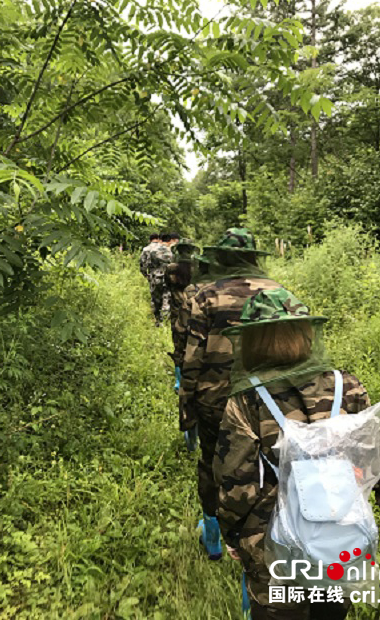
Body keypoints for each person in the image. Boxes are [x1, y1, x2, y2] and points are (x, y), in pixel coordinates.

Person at [213, 287, 380, 619]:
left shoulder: (247, 400)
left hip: (273, 548)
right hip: (340, 539)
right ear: (305, 333)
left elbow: (236, 482)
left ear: (250, 341)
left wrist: (234, 534)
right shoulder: (346, 386)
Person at [179, 227, 282, 559]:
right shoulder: (280, 293)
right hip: (270, 401)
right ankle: (259, 544)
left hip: (215, 400)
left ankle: (213, 536)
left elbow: (192, 356)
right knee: (266, 470)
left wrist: (187, 402)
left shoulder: (206, 295)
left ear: (221, 257)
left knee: (212, 464)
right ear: (253, 257)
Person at [164, 238, 199, 391]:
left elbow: (166, 285)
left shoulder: (171, 268)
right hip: (195, 308)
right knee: (196, 340)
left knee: (178, 343)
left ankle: (179, 381)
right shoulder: (198, 268)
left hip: (177, 310)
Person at [147, 233, 173, 326]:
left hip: (155, 277)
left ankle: (157, 320)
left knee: (156, 299)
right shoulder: (171, 252)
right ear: (169, 241)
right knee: (166, 298)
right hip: (167, 277)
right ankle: (165, 321)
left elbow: (148, 264)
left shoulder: (153, 251)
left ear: (161, 240)